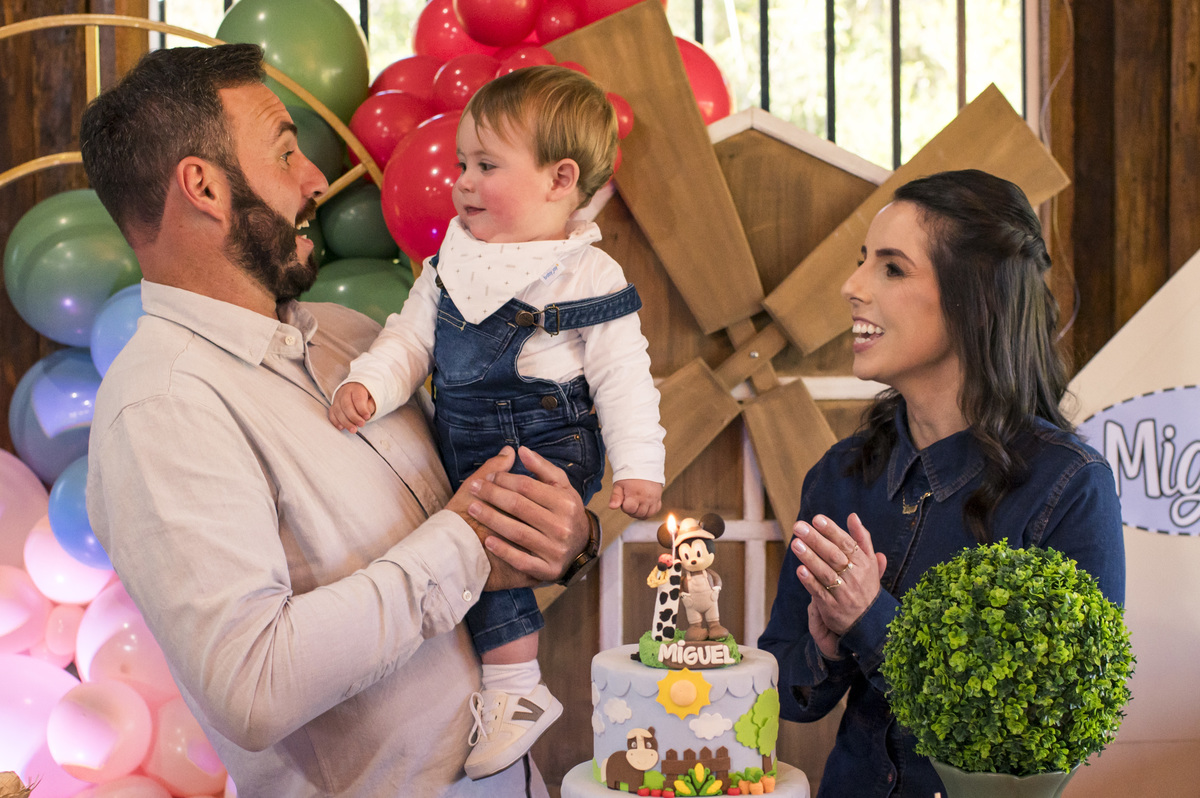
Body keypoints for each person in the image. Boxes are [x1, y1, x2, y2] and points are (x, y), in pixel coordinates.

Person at [80, 43, 599, 797]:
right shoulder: (161, 406)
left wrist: (563, 536)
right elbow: (252, 687)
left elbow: (485, 527)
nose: (316, 178)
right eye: (285, 152)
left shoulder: (352, 338)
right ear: (204, 187)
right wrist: (464, 541)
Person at [327, 65, 665, 778]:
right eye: (461, 165)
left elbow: (623, 377)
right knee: (458, 545)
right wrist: (370, 385)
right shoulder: (454, 260)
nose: (463, 184)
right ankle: (498, 685)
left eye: (486, 166)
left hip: (544, 441)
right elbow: (409, 339)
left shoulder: (584, 273)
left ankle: (514, 688)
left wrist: (639, 465)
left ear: (560, 179)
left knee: (488, 548)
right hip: (462, 436)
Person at [758, 170, 1125, 798]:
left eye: (891, 268)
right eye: (862, 262)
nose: (852, 286)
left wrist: (871, 620)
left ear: (973, 298)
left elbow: (1051, 727)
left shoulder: (1071, 486)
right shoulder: (839, 476)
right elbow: (789, 696)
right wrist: (826, 645)